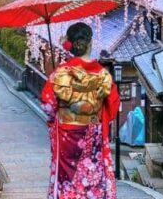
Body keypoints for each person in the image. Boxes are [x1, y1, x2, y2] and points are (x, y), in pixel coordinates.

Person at [40, 22, 119, 198]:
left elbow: (47, 106)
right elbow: (112, 108)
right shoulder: (103, 74)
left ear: (69, 45)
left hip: (67, 136)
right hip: (93, 132)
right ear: (90, 43)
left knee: (66, 180)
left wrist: (59, 113)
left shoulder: (60, 73)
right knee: (93, 175)